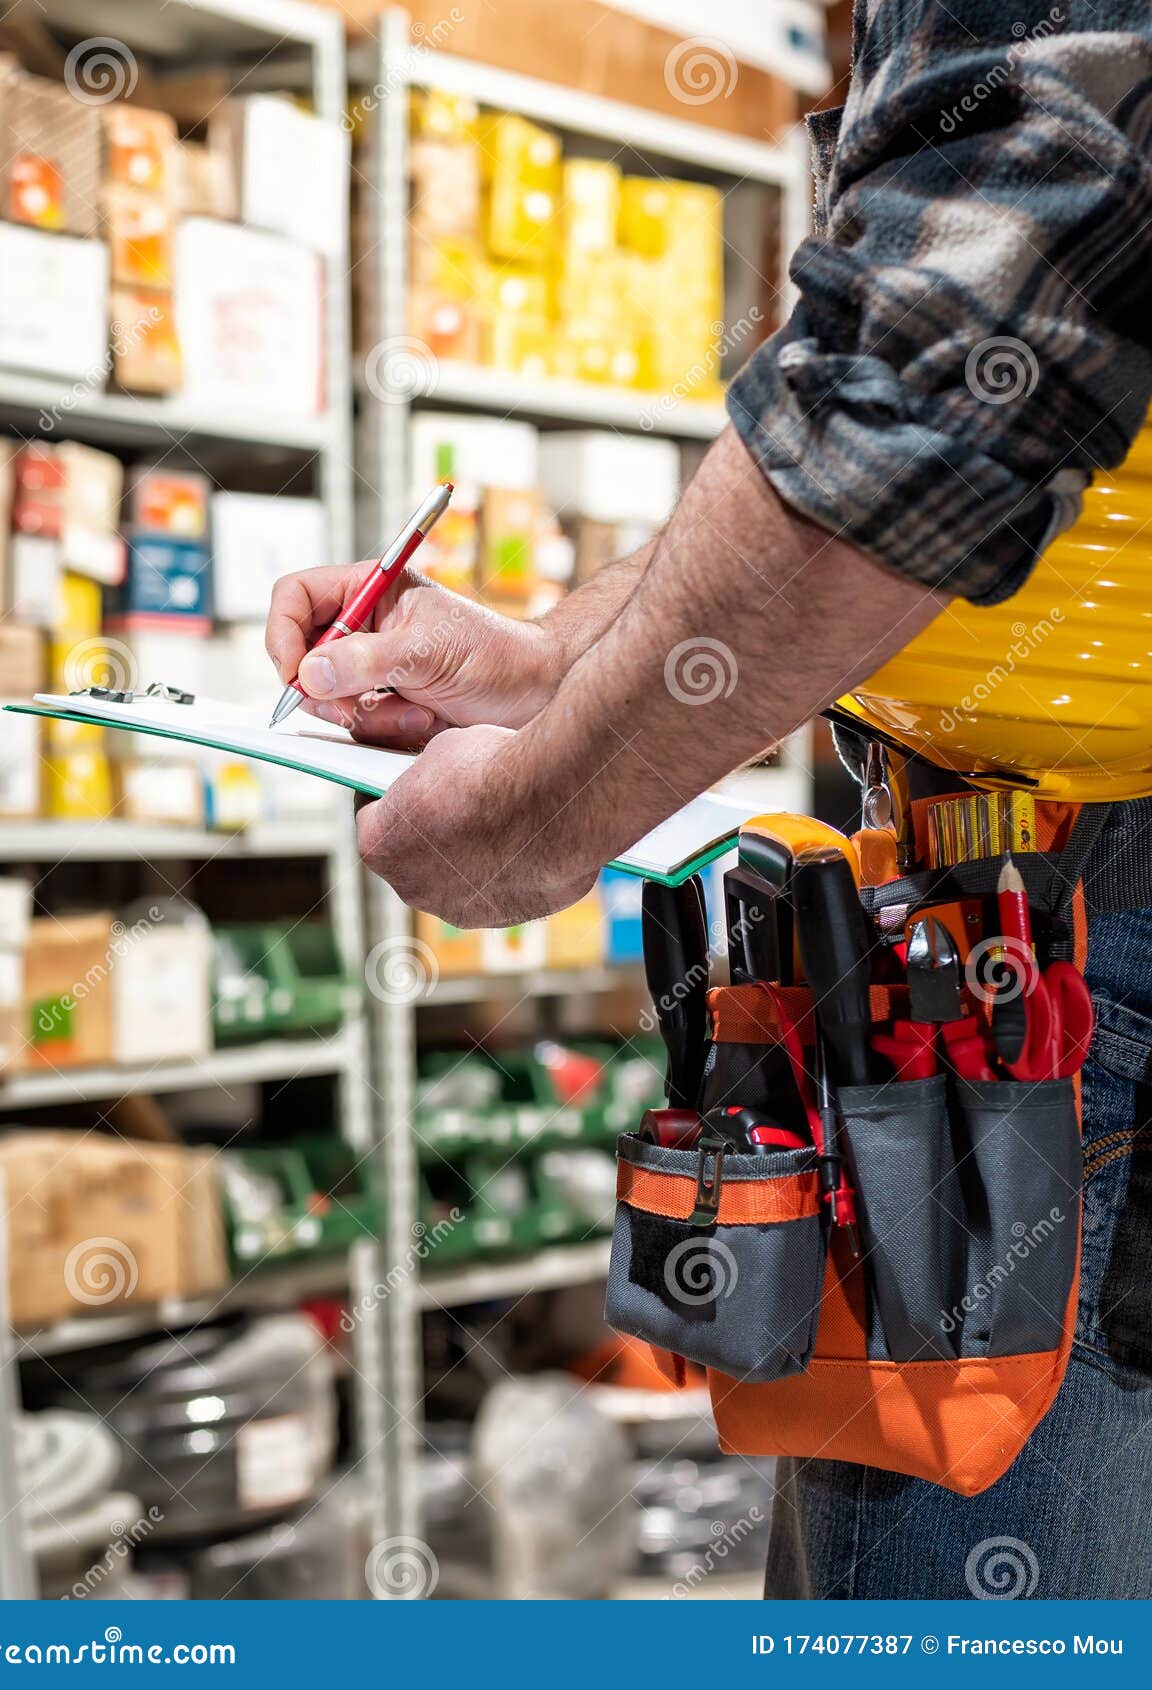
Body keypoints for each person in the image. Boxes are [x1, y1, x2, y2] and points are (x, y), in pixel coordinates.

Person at [266, 2, 1152, 1599]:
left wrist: (546, 811)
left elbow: (918, 418)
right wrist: (549, 660)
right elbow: (848, 419)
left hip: (1080, 959)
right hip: (1006, 914)